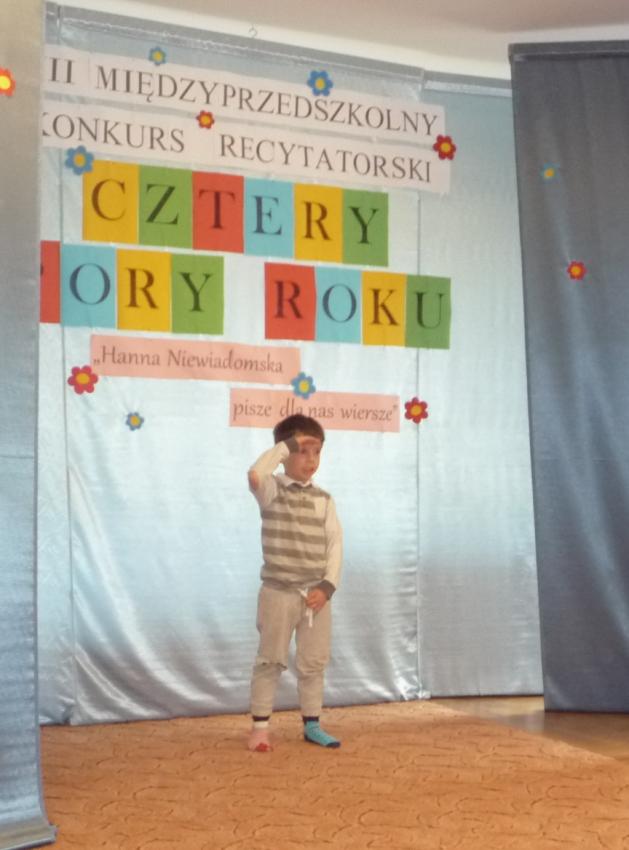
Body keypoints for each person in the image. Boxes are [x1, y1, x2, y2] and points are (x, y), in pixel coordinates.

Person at [246, 414, 342, 752]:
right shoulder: (271, 490)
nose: (311, 460)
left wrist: (327, 587)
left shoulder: (324, 499)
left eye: (317, 452)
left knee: (314, 662)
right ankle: (260, 728)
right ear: (285, 452)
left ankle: (312, 724)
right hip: (278, 593)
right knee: (270, 660)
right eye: (303, 451)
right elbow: (255, 474)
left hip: (314, 596)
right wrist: (287, 445)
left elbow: (335, 545)